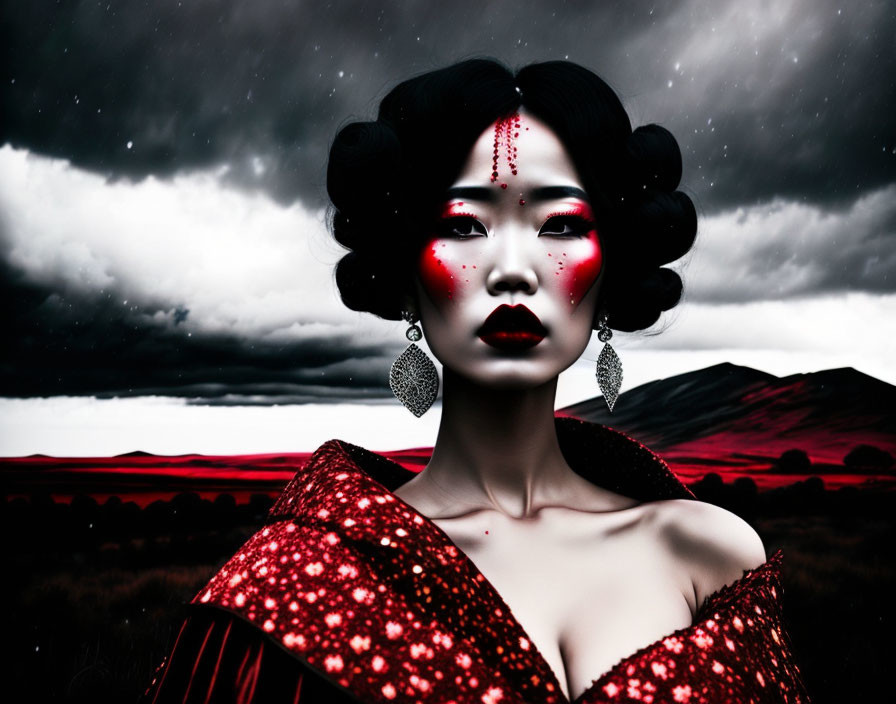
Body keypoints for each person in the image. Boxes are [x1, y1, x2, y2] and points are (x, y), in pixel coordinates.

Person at [143, 60, 811, 703]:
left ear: (611, 261)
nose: (513, 269)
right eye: (464, 224)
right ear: (406, 262)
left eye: (561, 224)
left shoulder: (710, 551)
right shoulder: (285, 585)